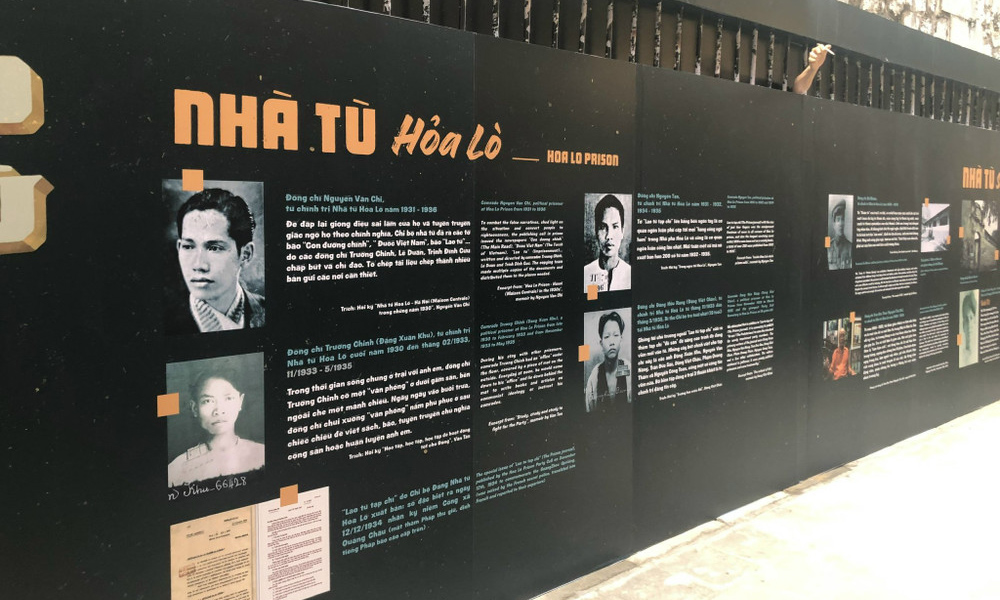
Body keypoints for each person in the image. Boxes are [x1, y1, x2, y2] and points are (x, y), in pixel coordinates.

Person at [165, 188, 265, 334]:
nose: (199, 265)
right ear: (179, 247)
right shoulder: (166, 322)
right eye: (188, 246)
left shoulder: (266, 310)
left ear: (246, 254)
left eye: (214, 248)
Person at [168, 367, 265, 486]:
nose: (219, 411)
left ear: (240, 401)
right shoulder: (176, 470)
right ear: (195, 408)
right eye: (208, 401)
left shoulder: (262, 455)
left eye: (228, 398)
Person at [585, 311, 632, 412]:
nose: (612, 342)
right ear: (601, 343)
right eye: (607, 337)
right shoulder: (595, 376)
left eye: (616, 335)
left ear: (621, 339)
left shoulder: (628, 369)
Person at [583, 194, 631, 293]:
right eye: (603, 227)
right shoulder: (586, 273)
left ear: (622, 231)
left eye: (615, 227)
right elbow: (592, 300)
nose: (609, 236)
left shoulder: (630, 274)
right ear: (596, 231)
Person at [828, 198, 852, 270]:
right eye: (838, 220)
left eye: (842, 219)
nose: (841, 223)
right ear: (834, 224)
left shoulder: (850, 247)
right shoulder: (828, 244)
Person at [959, 292, 979, 368]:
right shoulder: (959, 344)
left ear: (975, 321)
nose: (969, 324)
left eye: (971, 318)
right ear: (963, 325)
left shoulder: (977, 351)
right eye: (966, 319)